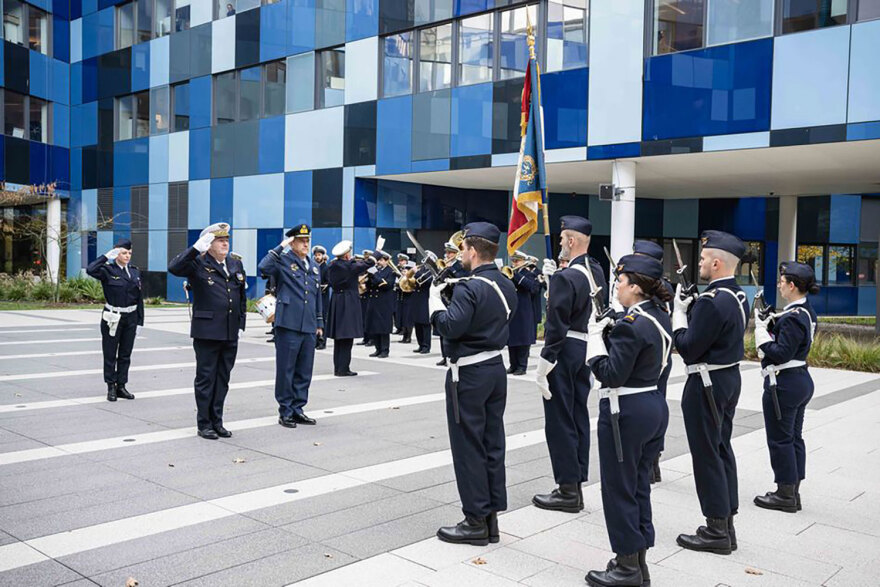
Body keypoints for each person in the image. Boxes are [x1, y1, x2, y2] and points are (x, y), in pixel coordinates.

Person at [584, 254, 673, 587]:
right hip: (651, 404)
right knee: (637, 487)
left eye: (620, 282)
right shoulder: (656, 315)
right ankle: (638, 561)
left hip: (626, 411)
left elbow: (610, 374)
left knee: (619, 489)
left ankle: (625, 567)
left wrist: (596, 339)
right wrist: (613, 328)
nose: (616, 288)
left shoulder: (632, 325)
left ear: (635, 287)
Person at [430, 222, 517, 545]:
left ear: (472, 250)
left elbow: (450, 327)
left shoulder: (471, 286)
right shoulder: (506, 285)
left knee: (468, 446)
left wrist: (436, 303)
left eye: (462, 248)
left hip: (468, 373)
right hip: (495, 369)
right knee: (491, 444)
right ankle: (490, 518)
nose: (460, 254)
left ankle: (474, 521)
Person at [672, 230, 749, 555]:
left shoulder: (711, 302)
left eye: (704, 259)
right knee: (721, 449)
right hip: (727, 379)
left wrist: (679, 315)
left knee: (706, 454)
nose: (700, 263)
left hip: (706, 383)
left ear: (717, 263)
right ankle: (726, 521)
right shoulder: (738, 296)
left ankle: (716, 528)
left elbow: (689, 348)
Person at [533, 216, 606, 513]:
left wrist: (546, 360)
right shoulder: (597, 270)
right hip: (586, 348)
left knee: (560, 420)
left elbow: (556, 323)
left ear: (572, 241)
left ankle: (567, 489)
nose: (561, 243)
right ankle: (575, 482)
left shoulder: (567, 276)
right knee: (577, 417)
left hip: (564, 349)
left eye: (563, 239)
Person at [168, 222, 246, 440]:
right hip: (207, 332)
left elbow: (241, 296)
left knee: (223, 379)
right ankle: (204, 424)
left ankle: (217, 421)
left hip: (230, 332)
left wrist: (241, 324)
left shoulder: (235, 264)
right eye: (219, 240)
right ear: (208, 244)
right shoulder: (197, 264)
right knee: (206, 379)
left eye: (226, 240)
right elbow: (174, 267)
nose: (224, 243)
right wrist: (195, 249)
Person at [753, 261, 819, 513]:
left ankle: (785, 493)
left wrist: (761, 333)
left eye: (782, 281)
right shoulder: (803, 312)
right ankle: (793, 488)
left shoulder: (793, 317)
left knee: (780, 439)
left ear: (792, 286)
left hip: (785, 382)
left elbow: (780, 352)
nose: (779, 284)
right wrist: (771, 323)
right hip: (799, 379)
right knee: (793, 437)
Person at [258, 224, 324, 428]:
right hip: (288, 324)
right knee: (286, 370)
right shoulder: (283, 261)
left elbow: (317, 296)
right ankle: (285, 410)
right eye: (301, 240)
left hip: (308, 325)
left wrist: (319, 322)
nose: (306, 243)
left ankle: (298, 409)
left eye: (307, 240)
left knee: (304, 371)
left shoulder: (313, 265)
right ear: (292, 242)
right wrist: (280, 247)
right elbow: (263, 268)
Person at [632, 239, 675, 483]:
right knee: (657, 401)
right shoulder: (661, 285)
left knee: (649, 405)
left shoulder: (653, 287)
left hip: (649, 354)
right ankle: (653, 460)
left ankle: (649, 461)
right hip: (660, 355)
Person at [87, 239, 144, 402]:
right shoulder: (106, 270)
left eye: (129, 253)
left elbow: (139, 299)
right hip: (112, 317)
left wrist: (140, 321)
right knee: (110, 353)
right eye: (124, 253)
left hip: (131, 317)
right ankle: (110, 386)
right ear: (116, 254)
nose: (127, 256)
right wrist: (105, 257)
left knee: (126, 354)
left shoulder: (135, 271)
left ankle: (121, 386)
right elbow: (91, 269)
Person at [326, 240, 375, 376]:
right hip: (347, 302)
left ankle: (338, 367)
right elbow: (368, 263)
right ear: (347, 255)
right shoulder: (348, 267)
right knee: (347, 337)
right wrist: (376, 253)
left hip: (336, 300)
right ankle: (344, 369)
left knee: (339, 339)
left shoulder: (332, 265)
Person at [506, 250, 541, 376]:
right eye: (513, 261)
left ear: (524, 262)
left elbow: (533, 288)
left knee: (523, 339)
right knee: (512, 339)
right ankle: (513, 364)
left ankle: (522, 366)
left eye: (517, 261)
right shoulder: (510, 273)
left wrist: (516, 276)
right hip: (513, 310)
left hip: (524, 311)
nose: (514, 263)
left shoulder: (528, 274)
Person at [436, 241, 468, 367]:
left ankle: (451, 355)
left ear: (456, 253)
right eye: (447, 253)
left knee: (452, 329)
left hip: (454, 298)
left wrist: (450, 269)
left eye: (450, 253)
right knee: (443, 329)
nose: (447, 255)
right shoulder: (445, 266)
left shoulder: (460, 265)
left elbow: (462, 277)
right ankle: (444, 356)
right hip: (444, 299)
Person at [365, 250, 394, 358]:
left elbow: (387, 285)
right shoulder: (375, 271)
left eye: (381, 260)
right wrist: (369, 278)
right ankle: (377, 349)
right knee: (374, 326)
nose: (379, 262)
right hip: (374, 302)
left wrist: (375, 275)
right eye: (378, 260)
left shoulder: (391, 272)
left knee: (383, 328)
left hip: (384, 303)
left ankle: (385, 350)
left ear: (386, 261)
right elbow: (369, 287)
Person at [410, 260, 434, 354]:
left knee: (425, 324)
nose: (424, 261)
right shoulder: (422, 269)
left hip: (425, 299)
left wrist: (417, 272)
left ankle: (426, 346)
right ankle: (420, 344)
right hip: (416, 299)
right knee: (417, 323)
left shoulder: (431, 271)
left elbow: (427, 281)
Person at [313, 245, 330, 350]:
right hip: (314, 296)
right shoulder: (314, 266)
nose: (317, 257)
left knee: (323, 319)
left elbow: (329, 281)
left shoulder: (326, 268)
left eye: (319, 255)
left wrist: (324, 286)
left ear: (323, 256)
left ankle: (322, 341)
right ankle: (315, 340)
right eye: (316, 255)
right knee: (315, 319)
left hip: (323, 297)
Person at [395, 253, 414, 343]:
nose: (404, 271)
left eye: (406, 270)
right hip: (402, 298)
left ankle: (408, 336)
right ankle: (404, 336)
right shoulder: (402, 277)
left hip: (409, 300)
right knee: (402, 317)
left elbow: (411, 288)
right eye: (404, 270)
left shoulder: (411, 278)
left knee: (408, 319)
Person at [357, 249, 373, 347]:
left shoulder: (373, 268)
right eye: (365, 258)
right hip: (362, 295)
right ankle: (365, 337)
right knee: (363, 318)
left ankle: (371, 338)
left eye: (367, 258)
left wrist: (366, 286)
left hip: (369, 295)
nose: (366, 259)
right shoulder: (363, 268)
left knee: (369, 318)